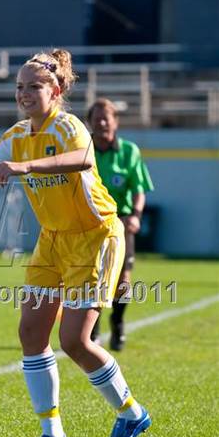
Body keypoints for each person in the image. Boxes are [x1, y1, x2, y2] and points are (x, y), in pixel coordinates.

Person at [0, 49, 151, 437]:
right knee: (30, 332)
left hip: (95, 236)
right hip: (53, 240)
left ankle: (131, 413)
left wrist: (24, 168)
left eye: (34, 86)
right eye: (19, 87)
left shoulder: (68, 127)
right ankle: (52, 435)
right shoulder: (17, 136)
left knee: (75, 341)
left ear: (56, 89)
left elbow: (83, 159)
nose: (24, 94)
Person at [88, 98, 154, 351]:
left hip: (122, 222)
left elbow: (140, 189)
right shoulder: (83, 151)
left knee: (123, 279)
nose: (102, 123)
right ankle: (92, 331)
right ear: (90, 123)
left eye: (106, 118)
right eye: (96, 119)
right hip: (90, 225)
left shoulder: (129, 151)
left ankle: (118, 322)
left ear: (115, 122)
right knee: (90, 277)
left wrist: (136, 214)